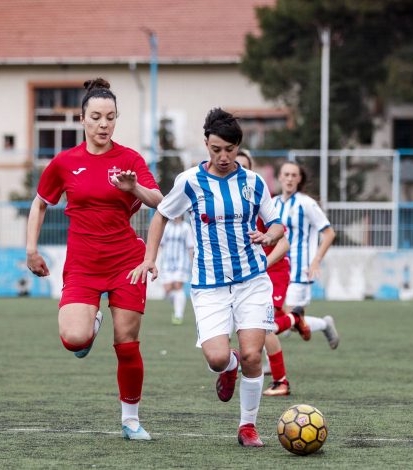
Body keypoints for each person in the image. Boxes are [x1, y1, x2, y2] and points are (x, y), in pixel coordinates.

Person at [128, 108, 284, 447]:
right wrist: (150, 258)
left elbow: (276, 223)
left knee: (253, 355)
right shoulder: (189, 181)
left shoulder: (254, 182)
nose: (223, 157)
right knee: (217, 358)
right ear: (206, 145)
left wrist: (269, 235)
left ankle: (247, 427)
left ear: (238, 146)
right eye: (216, 149)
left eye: (229, 149)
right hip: (209, 284)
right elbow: (161, 215)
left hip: (252, 280)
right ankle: (229, 367)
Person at [26, 78, 163, 441]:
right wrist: (31, 249)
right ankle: (90, 325)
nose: (104, 124)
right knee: (74, 338)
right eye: (97, 117)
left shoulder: (130, 160)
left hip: (126, 262)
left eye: (111, 117)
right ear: (82, 119)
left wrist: (134, 187)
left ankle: (130, 420)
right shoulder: (65, 162)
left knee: (126, 341)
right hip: (83, 265)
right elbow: (40, 203)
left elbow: (159, 202)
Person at [236, 150, 310, 398]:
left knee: (264, 328)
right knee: (257, 328)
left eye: (244, 167)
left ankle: (281, 381)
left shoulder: (256, 200)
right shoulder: (225, 201)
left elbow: (284, 244)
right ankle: (294, 319)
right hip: (248, 274)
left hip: (273, 270)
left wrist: (263, 264)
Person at [273, 162, 340, 355]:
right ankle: (267, 363)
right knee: (272, 318)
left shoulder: (306, 203)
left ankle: (324, 325)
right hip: (278, 269)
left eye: (294, 175)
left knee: (289, 321)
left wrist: (316, 260)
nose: (289, 179)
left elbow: (329, 233)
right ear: (280, 177)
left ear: (299, 179)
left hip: (300, 269)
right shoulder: (273, 203)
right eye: (286, 174)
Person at [158, 214, 194, 325]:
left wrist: (192, 263)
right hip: (167, 263)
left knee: (178, 286)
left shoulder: (186, 228)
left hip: (181, 263)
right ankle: (178, 305)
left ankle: (178, 315)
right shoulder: (167, 226)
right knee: (167, 289)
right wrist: (156, 260)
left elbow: (190, 247)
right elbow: (161, 244)